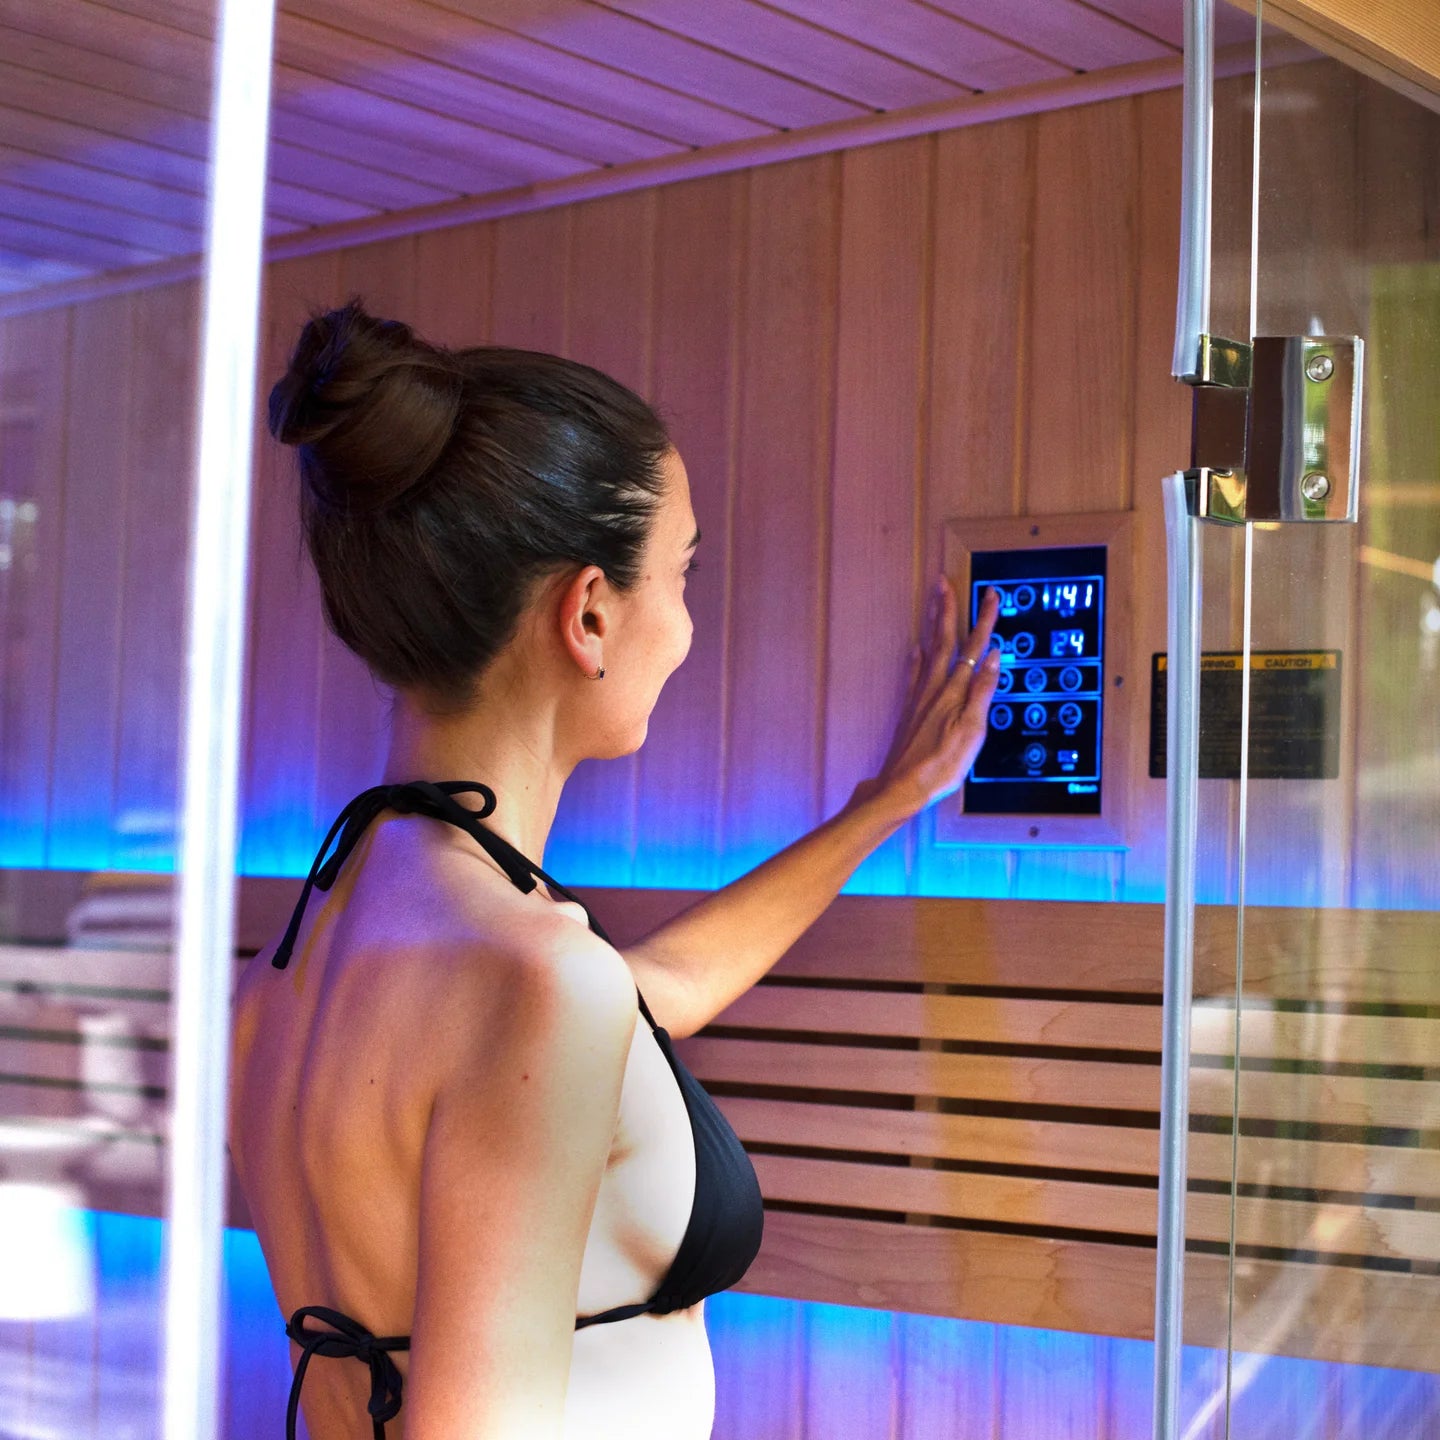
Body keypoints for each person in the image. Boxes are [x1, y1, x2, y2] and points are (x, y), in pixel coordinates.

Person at [227, 300, 1001, 1440]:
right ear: (589, 612)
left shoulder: (297, 977)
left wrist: (886, 802)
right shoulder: (530, 979)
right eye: (681, 574)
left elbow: (649, 1000)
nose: (685, 627)